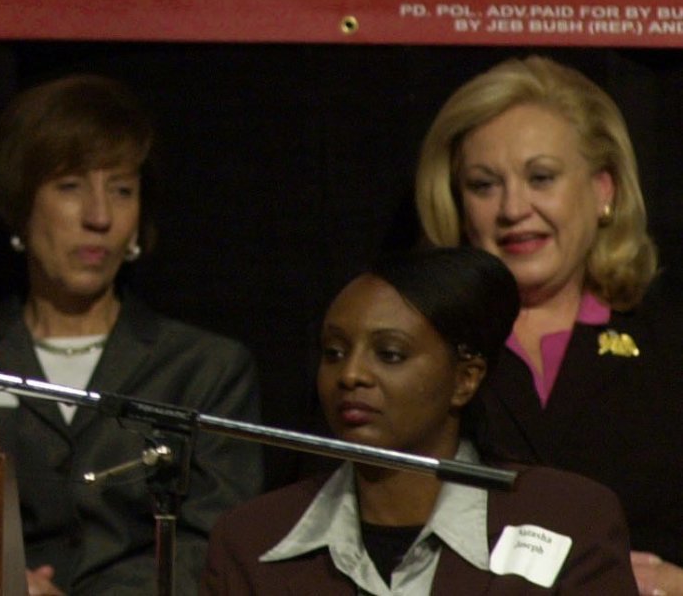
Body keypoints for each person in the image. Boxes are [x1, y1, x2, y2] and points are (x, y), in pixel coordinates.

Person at [204, 247, 637, 593]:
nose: (350, 374)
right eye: (334, 352)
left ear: (465, 379)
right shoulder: (251, 540)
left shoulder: (570, 518)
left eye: (390, 354)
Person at [0, 74, 262, 596]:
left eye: (122, 190)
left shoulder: (205, 367)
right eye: (70, 187)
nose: (100, 216)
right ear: (19, 205)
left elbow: (216, 541)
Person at [415, 54, 682, 596]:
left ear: (603, 189)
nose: (513, 208)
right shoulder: (421, 345)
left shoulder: (669, 341)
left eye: (541, 178)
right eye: (484, 185)